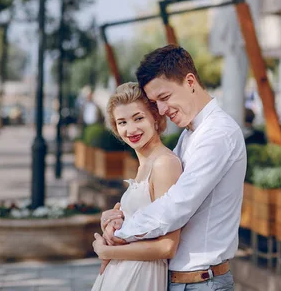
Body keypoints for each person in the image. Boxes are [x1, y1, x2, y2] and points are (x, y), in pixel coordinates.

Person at [100, 45, 246, 291]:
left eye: (164, 98)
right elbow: (157, 198)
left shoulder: (217, 134)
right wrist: (118, 217)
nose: (162, 111)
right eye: (155, 103)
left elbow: (175, 206)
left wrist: (118, 236)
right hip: (184, 280)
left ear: (190, 81)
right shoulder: (191, 134)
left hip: (202, 283)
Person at [91, 82, 183, 291]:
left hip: (141, 276)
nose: (130, 129)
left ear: (156, 118)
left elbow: (167, 246)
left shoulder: (164, 164)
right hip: (122, 273)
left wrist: (107, 252)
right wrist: (114, 223)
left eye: (138, 118)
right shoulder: (144, 164)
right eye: (122, 122)